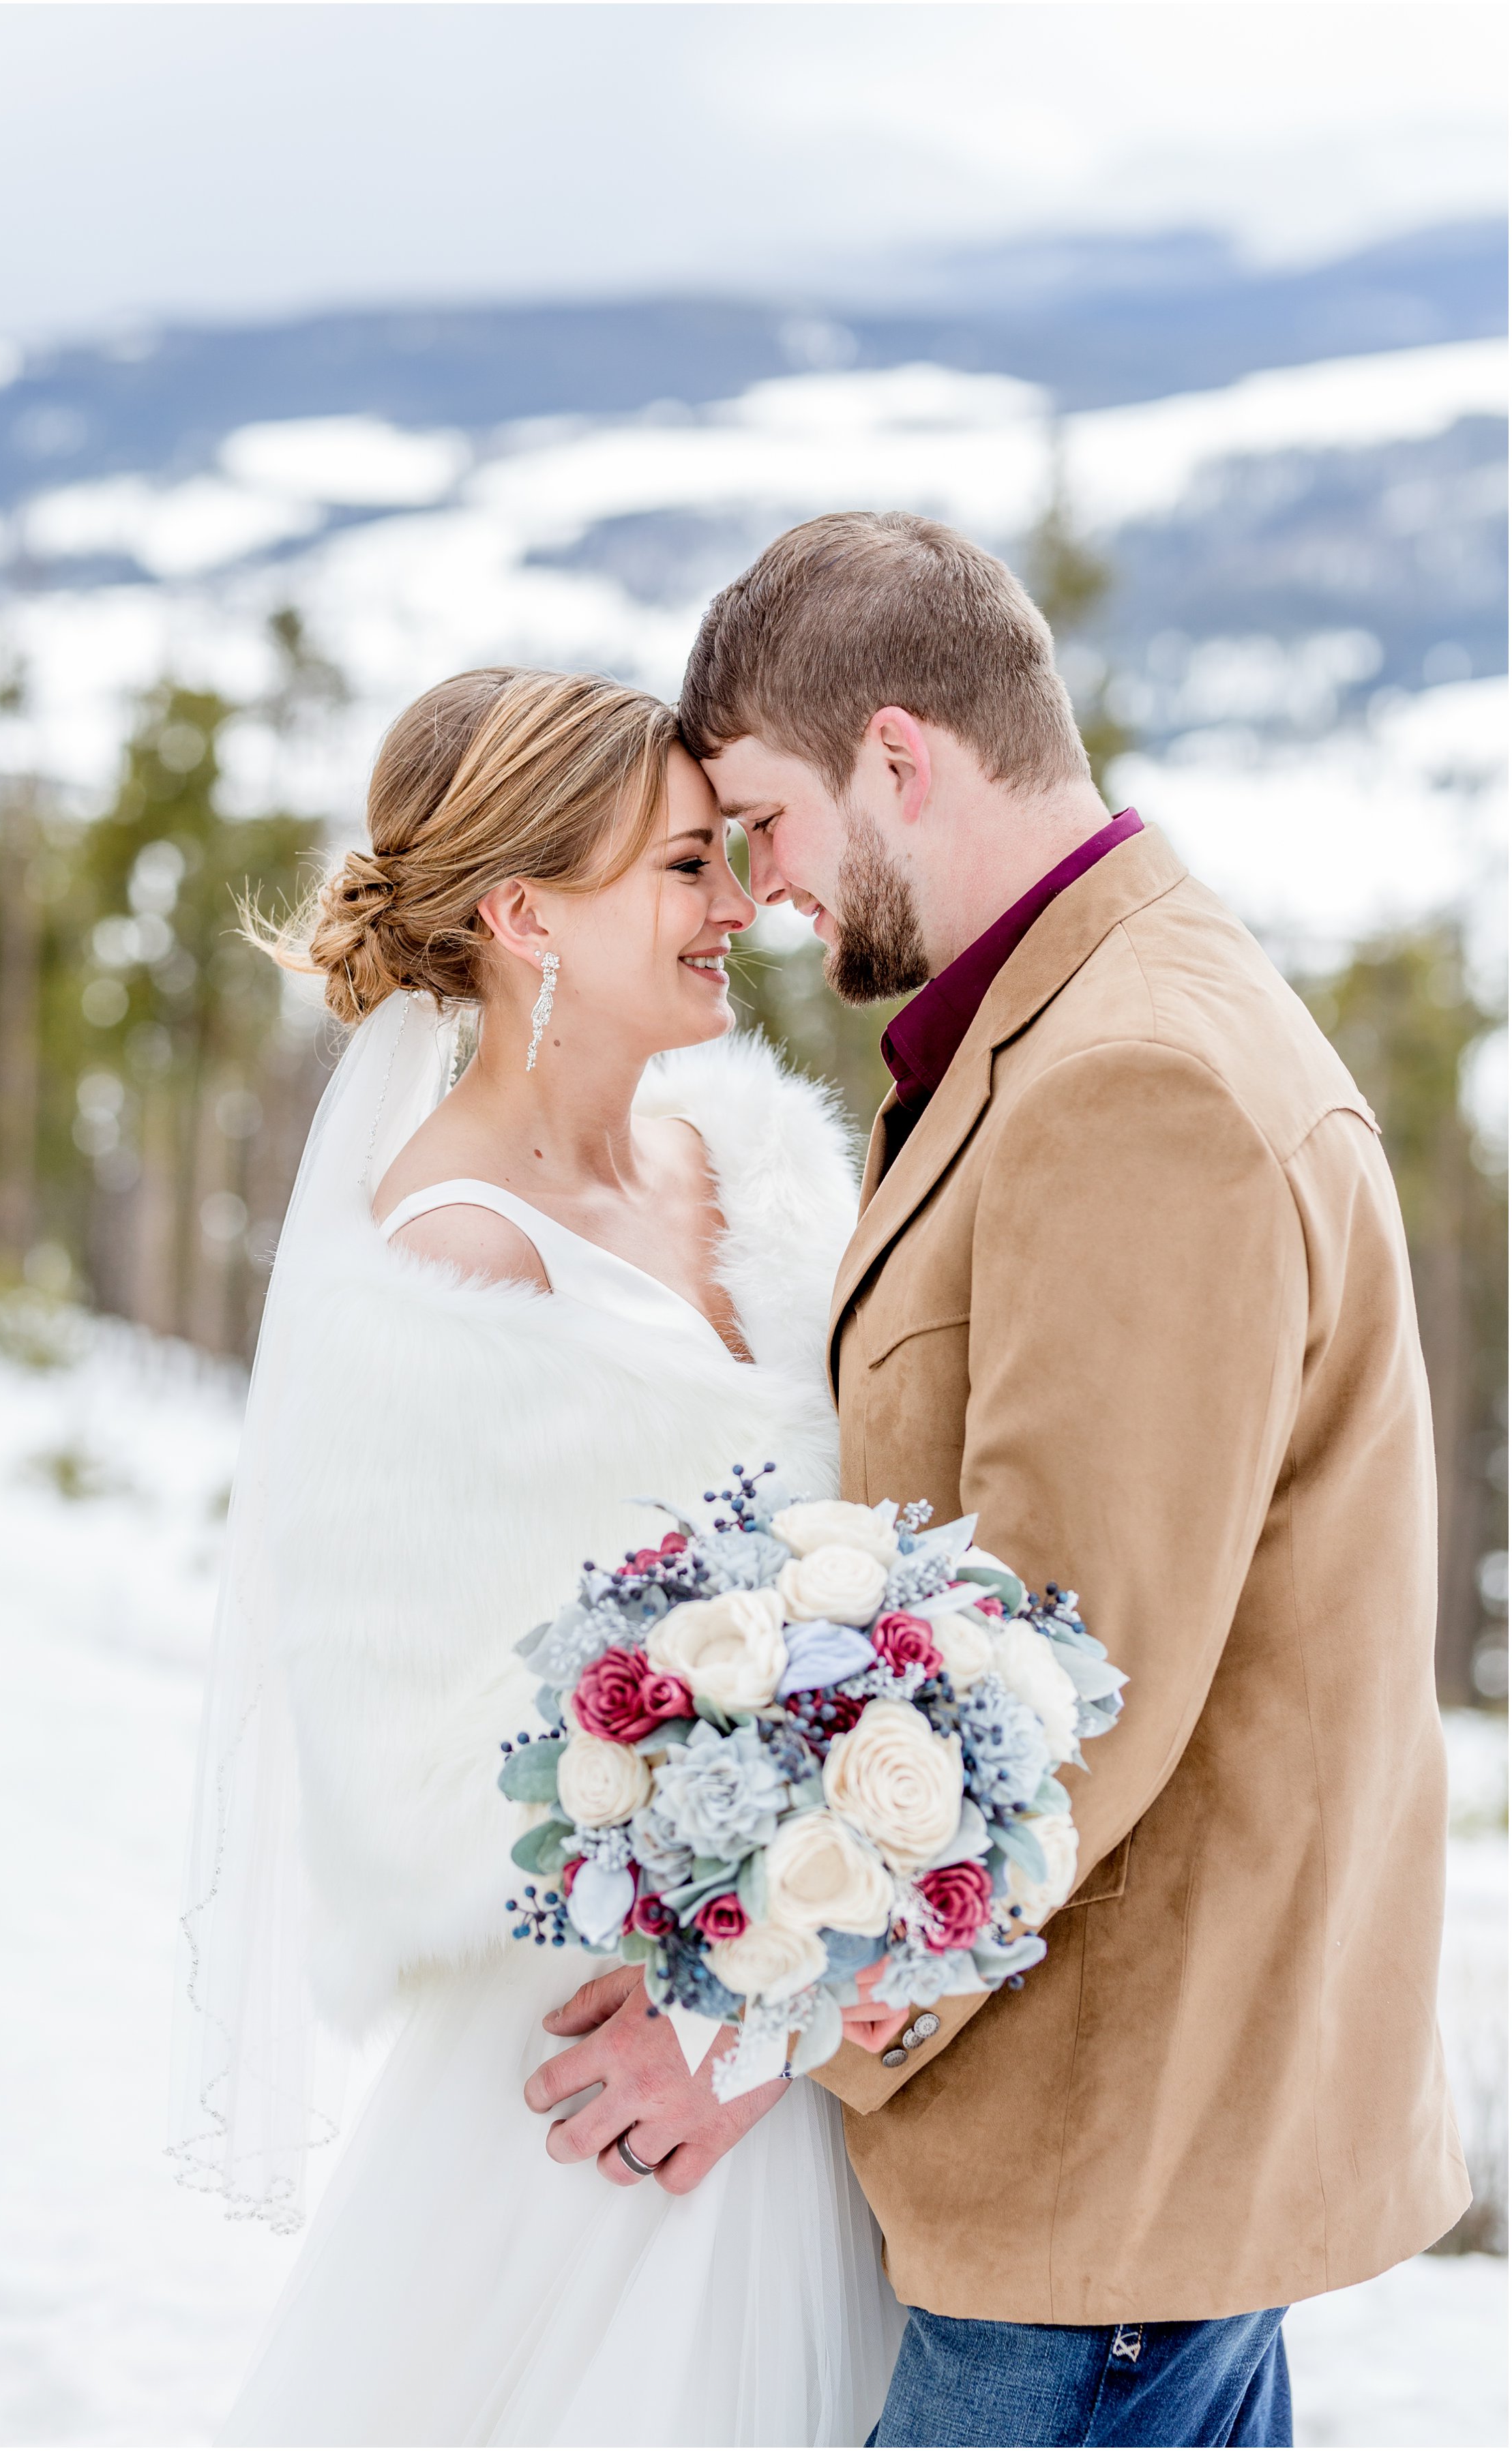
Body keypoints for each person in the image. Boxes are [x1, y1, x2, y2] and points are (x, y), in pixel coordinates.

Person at [534, 513, 1470, 2448]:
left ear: (902, 756)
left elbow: (1055, 1675)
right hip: (1115, 2165)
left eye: (770, 820)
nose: (768, 891)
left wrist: (751, 2017)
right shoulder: (1075, 1016)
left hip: (1103, 2166)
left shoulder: (1139, 1084)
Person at [171, 664, 904, 2446]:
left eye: (729, 857)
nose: (736, 904)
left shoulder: (762, 1161)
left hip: (826, 2037)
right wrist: (734, 1959)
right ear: (521, 916)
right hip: (607, 2084)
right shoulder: (447, 1265)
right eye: (679, 866)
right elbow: (431, 1765)